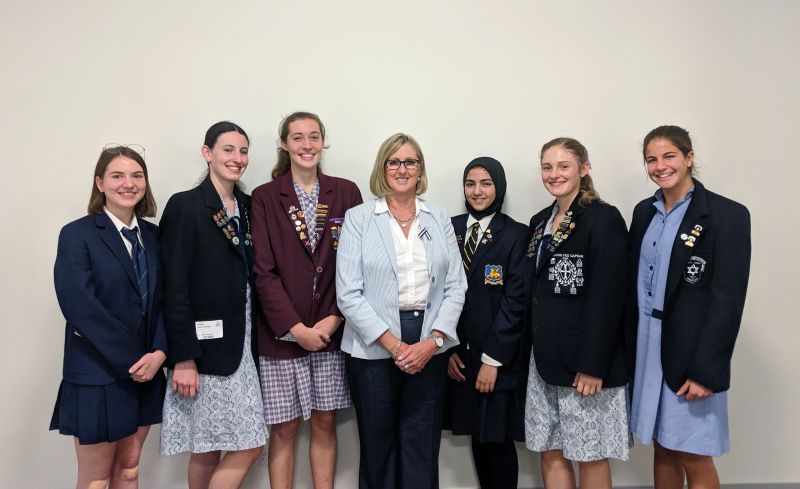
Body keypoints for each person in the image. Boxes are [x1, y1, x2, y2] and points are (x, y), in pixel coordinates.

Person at [336, 133, 468, 489]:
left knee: (421, 444)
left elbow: (456, 285)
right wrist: (395, 346)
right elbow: (348, 293)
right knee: (378, 446)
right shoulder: (359, 218)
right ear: (382, 168)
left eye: (410, 161)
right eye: (393, 162)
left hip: (429, 343)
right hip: (373, 345)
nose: (402, 169)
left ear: (420, 169)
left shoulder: (438, 217)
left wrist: (433, 342)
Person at [627, 125, 751, 489]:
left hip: (691, 350)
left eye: (669, 156)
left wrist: (706, 371)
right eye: (651, 159)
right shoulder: (644, 212)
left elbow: (728, 300)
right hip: (648, 344)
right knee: (662, 444)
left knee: (693, 452)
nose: (660, 166)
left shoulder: (726, 215)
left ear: (689, 158)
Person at [251, 111, 362, 489]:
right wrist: (296, 328)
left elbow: (356, 265)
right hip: (283, 334)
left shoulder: (346, 192)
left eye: (314, 136)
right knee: (283, 428)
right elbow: (263, 271)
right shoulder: (265, 197)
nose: (307, 145)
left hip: (330, 330)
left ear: (323, 142)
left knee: (325, 421)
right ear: (284, 144)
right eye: (297, 137)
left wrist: (334, 318)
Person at [51, 144, 166, 489]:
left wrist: (160, 352)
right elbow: (80, 307)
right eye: (117, 176)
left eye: (137, 176)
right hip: (99, 373)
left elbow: (168, 300)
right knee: (96, 480)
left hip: (148, 371)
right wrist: (135, 360)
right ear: (100, 183)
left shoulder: (154, 236)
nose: (128, 183)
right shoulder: (77, 235)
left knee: (129, 469)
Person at [159, 121, 267, 489]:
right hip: (203, 352)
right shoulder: (185, 206)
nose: (237, 158)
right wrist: (183, 358)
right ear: (207, 153)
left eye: (243, 151)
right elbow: (173, 287)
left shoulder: (249, 207)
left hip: (244, 345)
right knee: (208, 446)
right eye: (228, 150)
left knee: (233, 443)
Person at [523, 137, 631, 489]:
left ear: (583, 169)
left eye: (563, 166)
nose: (554, 174)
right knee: (550, 449)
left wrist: (593, 365)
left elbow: (609, 296)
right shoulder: (541, 221)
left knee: (589, 452)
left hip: (585, 365)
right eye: (547, 167)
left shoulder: (602, 218)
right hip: (544, 361)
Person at [444, 157, 527, 489]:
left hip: (496, 359)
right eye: (470, 184)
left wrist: (492, 361)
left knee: (497, 439)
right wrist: (447, 347)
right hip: (459, 358)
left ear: (499, 187)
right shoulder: (448, 228)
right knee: (477, 437)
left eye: (486, 183)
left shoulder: (516, 234)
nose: (477, 191)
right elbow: (437, 292)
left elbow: (515, 302)